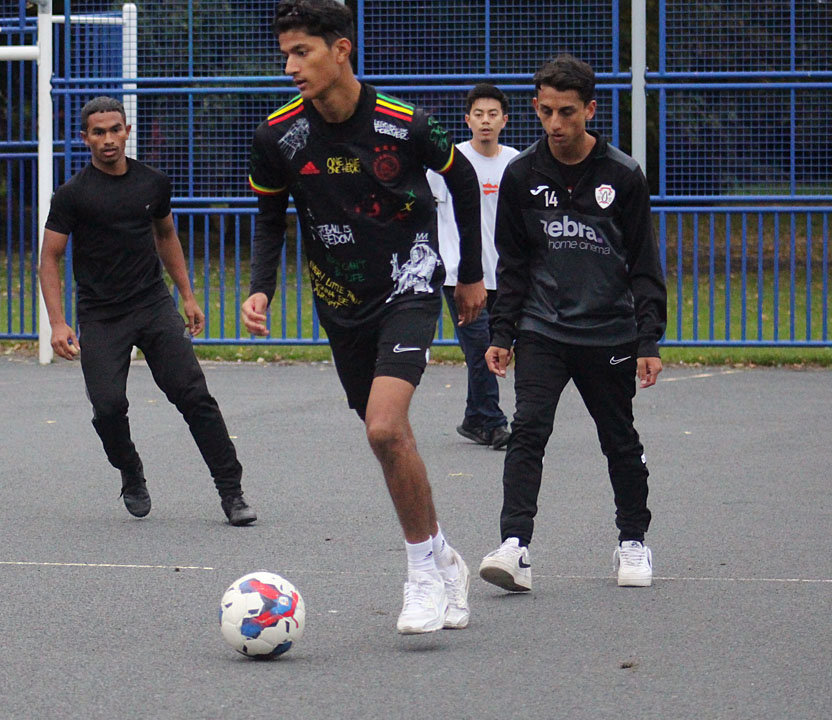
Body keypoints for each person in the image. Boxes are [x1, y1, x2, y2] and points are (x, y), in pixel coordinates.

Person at [241, 0, 486, 635]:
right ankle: (443, 555)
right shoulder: (277, 136)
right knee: (391, 440)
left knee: (383, 429)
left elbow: (461, 183)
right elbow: (270, 217)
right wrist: (261, 289)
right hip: (340, 303)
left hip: (409, 284)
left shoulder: (405, 125)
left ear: (341, 49)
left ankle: (421, 576)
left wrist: (470, 275)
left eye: (303, 52)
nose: (290, 65)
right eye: (286, 53)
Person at [478, 54, 667, 591]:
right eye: (545, 112)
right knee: (528, 431)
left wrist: (648, 338)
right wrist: (502, 331)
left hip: (610, 331)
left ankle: (633, 542)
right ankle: (514, 546)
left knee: (620, 439)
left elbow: (644, 265)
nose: (556, 125)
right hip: (543, 327)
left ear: (590, 108)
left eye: (566, 112)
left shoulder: (623, 176)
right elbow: (513, 263)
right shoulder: (522, 175)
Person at [39, 96, 256, 526]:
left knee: (194, 396)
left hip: (153, 305)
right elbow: (49, 258)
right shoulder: (72, 195)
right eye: (98, 132)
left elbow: (166, 234)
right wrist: (59, 322)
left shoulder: (152, 182)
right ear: (85, 139)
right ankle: (130, 471)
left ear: (127, 131)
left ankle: (232, 493)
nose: (108, 140)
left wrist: (187, 296)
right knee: (107, 407)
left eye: (114, 129)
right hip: (102, 315)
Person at [426, 84, 518, 451]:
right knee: (481, 347)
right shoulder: (449, 163)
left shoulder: (515, 162)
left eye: (492, 114)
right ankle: (494, 423)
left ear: (504, 121)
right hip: (460, 275)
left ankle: (473, 417)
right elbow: (430, 214)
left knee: (496, 347)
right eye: (478, 114)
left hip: (504, 274)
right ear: (467, 120)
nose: (485, 121)